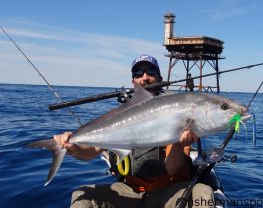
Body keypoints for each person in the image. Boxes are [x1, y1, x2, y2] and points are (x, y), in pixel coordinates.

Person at [54, 54, 215, 208]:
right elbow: (90, 152)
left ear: (159, 78)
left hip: (168, 192)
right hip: (129, 190)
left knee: (202, 194)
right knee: (82, 195)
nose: (145, 77)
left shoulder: (177, 110)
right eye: (138, 73)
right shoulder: (121, 116)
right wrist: (72, 147)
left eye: (151, 72)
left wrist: (178, 145)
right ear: (133, 81)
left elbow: (173, 168)